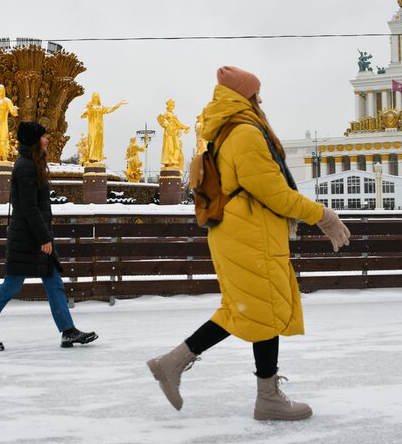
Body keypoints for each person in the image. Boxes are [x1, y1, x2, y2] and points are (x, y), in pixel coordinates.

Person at [146, 66, 351, 421]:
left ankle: (183, 367)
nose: (261, 99)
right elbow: (275, 193)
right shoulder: (245, 134)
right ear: (245, 97)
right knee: (258, 309)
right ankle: (253, 392)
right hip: (248, 234)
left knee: (256, 310)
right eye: (257, 93)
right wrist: (323, 216)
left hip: (241, 232)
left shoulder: (229, 132)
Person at [0, 121, 98, 351]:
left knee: (53, 281)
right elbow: (28, 207)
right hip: (29, 239)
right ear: (34, 141)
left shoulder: (31, 164)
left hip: (32, 235)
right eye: (43, 137)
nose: (47, 140)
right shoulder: (26, 166)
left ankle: (68, 331)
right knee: (12, 285)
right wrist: (44, 238)